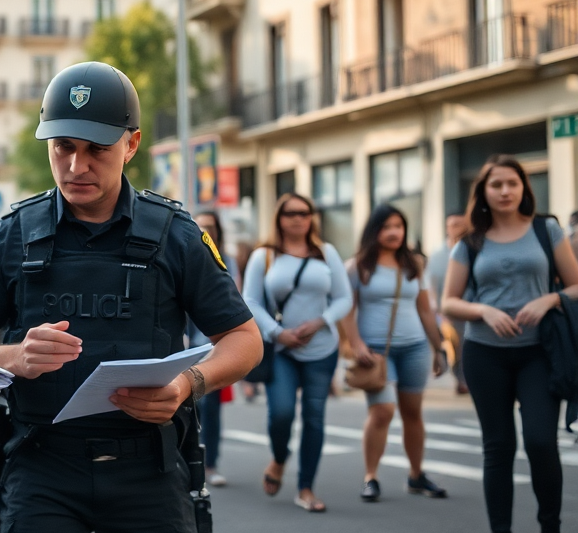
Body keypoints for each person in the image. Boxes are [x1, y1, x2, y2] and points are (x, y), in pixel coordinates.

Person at [0, 61, 263, 533]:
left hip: (147, 466)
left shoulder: (175, 233)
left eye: (96, 148)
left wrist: (187, 384)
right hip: (42, 465)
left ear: (131, 144)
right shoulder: (13, 234)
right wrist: (12, 357)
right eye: (62, 146)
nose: (76, 165)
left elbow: (243, 338)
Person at [441, 155, 578, 533]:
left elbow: (575, 285)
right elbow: (448, 301)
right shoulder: (470, 241)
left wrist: (549, 299)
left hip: (539, 352)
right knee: (498, 447)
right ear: (482, 192)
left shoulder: (546, 229)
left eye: (512, 183)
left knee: (540, 441)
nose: (504, 191)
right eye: (496, 184)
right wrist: (482, 309)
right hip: (486, 354)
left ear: (524, 187)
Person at [243, 193, 352, 513]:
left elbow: (344, 299)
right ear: (279, 217)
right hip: (281, 350)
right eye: (290, 213)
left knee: (315, 418)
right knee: (282, 413)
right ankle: (279, 458)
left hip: (322, 348)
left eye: (304, 212)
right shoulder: (263, 255)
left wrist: (322, 321)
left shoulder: (326, 252)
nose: (298, 218)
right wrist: (278, 333)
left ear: (312, 217)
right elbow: (249, 301)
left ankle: (306, 488)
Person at [339, 205, 448, 504]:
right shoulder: (358, 265)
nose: (394, 232)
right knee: (383, 411)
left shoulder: (414, 264)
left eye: (399, 226)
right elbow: (347, 310)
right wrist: (357, 344)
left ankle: (416, 475)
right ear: (374, 231)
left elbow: (425, 309)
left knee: (413, 413)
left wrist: (439, 347)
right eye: (387, 226)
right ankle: (370, 476)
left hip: (415, 348)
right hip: (376, 353)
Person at [190, 211, 240, 488]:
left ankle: (210, 463)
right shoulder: (183, 254)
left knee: (210, 407)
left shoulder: (226, 260)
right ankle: (189, 460)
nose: (205, 231)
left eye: (210, 227)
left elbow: (238, 301)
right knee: (188, 407)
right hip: (187, 347)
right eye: (200, 226)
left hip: (215, 347)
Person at [426, 212, 470, 394]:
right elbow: (431, 285)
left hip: (472, 309)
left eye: (459, 224)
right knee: (456, 348)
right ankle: (460, 380)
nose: (455, 229)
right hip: (448, 313)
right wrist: (437, 310)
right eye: (451, 225)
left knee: (468, 346)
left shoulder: (473, 249)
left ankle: (465, 380)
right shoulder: (437, 256)